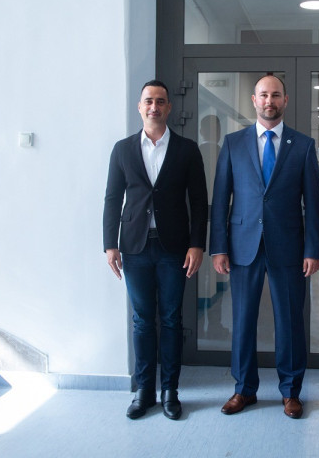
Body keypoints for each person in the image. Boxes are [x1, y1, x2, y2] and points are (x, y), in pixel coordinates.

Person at [210, 74, 319, 419]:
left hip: (288, 246)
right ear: (254, 100)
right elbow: (220, 199)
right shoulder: (233, 143)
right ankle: (244, 389)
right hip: (242, 245)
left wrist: (313, 249)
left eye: (275, 95)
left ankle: (291, 391)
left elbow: (313, 204)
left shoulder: (303, 145)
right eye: (263, 95)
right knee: (243, 319)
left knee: (289, 321)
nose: (269, 101)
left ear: (285, 100)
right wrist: (218, 247)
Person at [103, 80, 208, 420]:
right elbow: (112, 199)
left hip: (174, 248)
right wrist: (110, 245)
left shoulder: (187, 149)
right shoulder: (122, 150)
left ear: (169, 107)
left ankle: (170, 391)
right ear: (140, 107)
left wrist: (197, 244)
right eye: (148, 101)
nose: (154, 106)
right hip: (134, 248)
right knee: (142, 320)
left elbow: (199, 202)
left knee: (171, 319)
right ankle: (144, 391)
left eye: (160, 101)